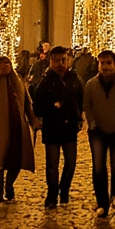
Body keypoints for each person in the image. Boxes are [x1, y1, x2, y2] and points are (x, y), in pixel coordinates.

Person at [0, 55, 38, 205]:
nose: (4, 66)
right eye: (1, 63)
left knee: (16, 161)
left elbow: (27, 104)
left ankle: (9, 185)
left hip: (17, 127)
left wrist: (33, 121)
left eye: (6, 63)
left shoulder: (18, 81)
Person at [83, 49, 115, 218]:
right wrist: (92, 124)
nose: (105, 67)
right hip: (97, 131)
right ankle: (102, 201)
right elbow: (87, 106)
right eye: (102, 63)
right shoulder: (91, 84)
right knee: (98, 166)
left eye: (108, 63)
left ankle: (112, 194)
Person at [33, 45, 84, 208]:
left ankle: (64, 189)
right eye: (57, 61)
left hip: (70, 126)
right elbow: (37, 107)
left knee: (71, 163)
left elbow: (81, 99)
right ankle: (52, 195)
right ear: (51, 61)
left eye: (63, 60)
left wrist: (79, 116)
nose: (61, 64)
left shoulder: (74, 78)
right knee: (52, 164)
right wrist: (52, 107)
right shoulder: (45, 81)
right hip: (52, 127)